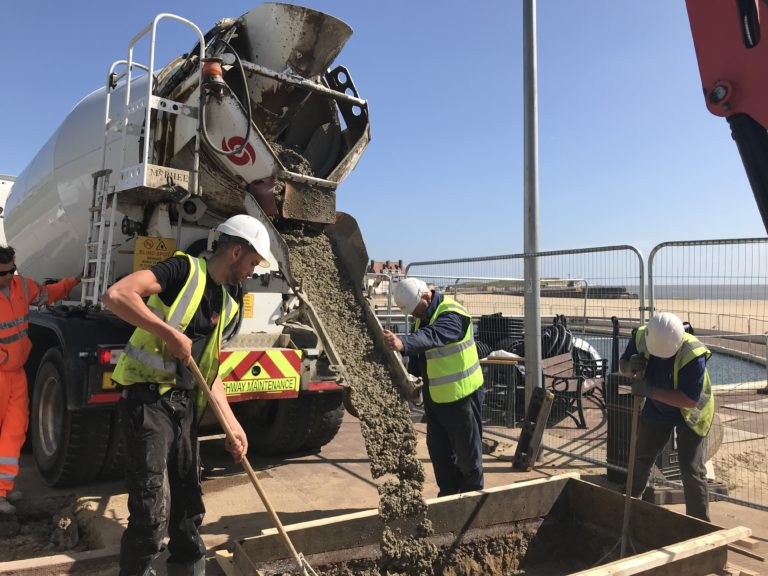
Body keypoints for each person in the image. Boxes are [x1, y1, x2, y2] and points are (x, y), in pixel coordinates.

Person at [103, 214, 274, 576]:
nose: (253, 271)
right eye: (253, 263)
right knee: (151, 515)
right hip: (147, 402)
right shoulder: (182, 270)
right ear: (236, 251)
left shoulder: (229, 303)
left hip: (182, 407)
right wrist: (166, 332)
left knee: (188, 511)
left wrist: (232, 425)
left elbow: (209, 374)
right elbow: (117, 295)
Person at [382, 277, 485, 497]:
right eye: (411, 313)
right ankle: (447, 497)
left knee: (468, 457)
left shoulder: (453, 314)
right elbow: (426, 359)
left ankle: (471, 498)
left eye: (416, 311)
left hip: (462, 397)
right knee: (440, 455)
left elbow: (434, 336)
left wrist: (404, 343)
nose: (414, 316)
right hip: (436, 401)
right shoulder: (424, 316)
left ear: (427, 296)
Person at [0, 245, 80, 515]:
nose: (8, 277)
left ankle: (3, 489)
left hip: (17, 374)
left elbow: (47, 294)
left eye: (11, 270)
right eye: (2, 273)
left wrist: (74, 281)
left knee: (15, 430)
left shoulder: (21, 287)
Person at [619, 312, 714, 521]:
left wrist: (650, 391)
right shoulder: (641, 337)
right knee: (641, 458)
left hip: (691, 413)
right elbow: (623, 366)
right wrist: (629, 367)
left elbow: (690, 400)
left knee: (691, 469)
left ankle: (699, 526)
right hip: (657, 408)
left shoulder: (693, 352)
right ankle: (629, 512)